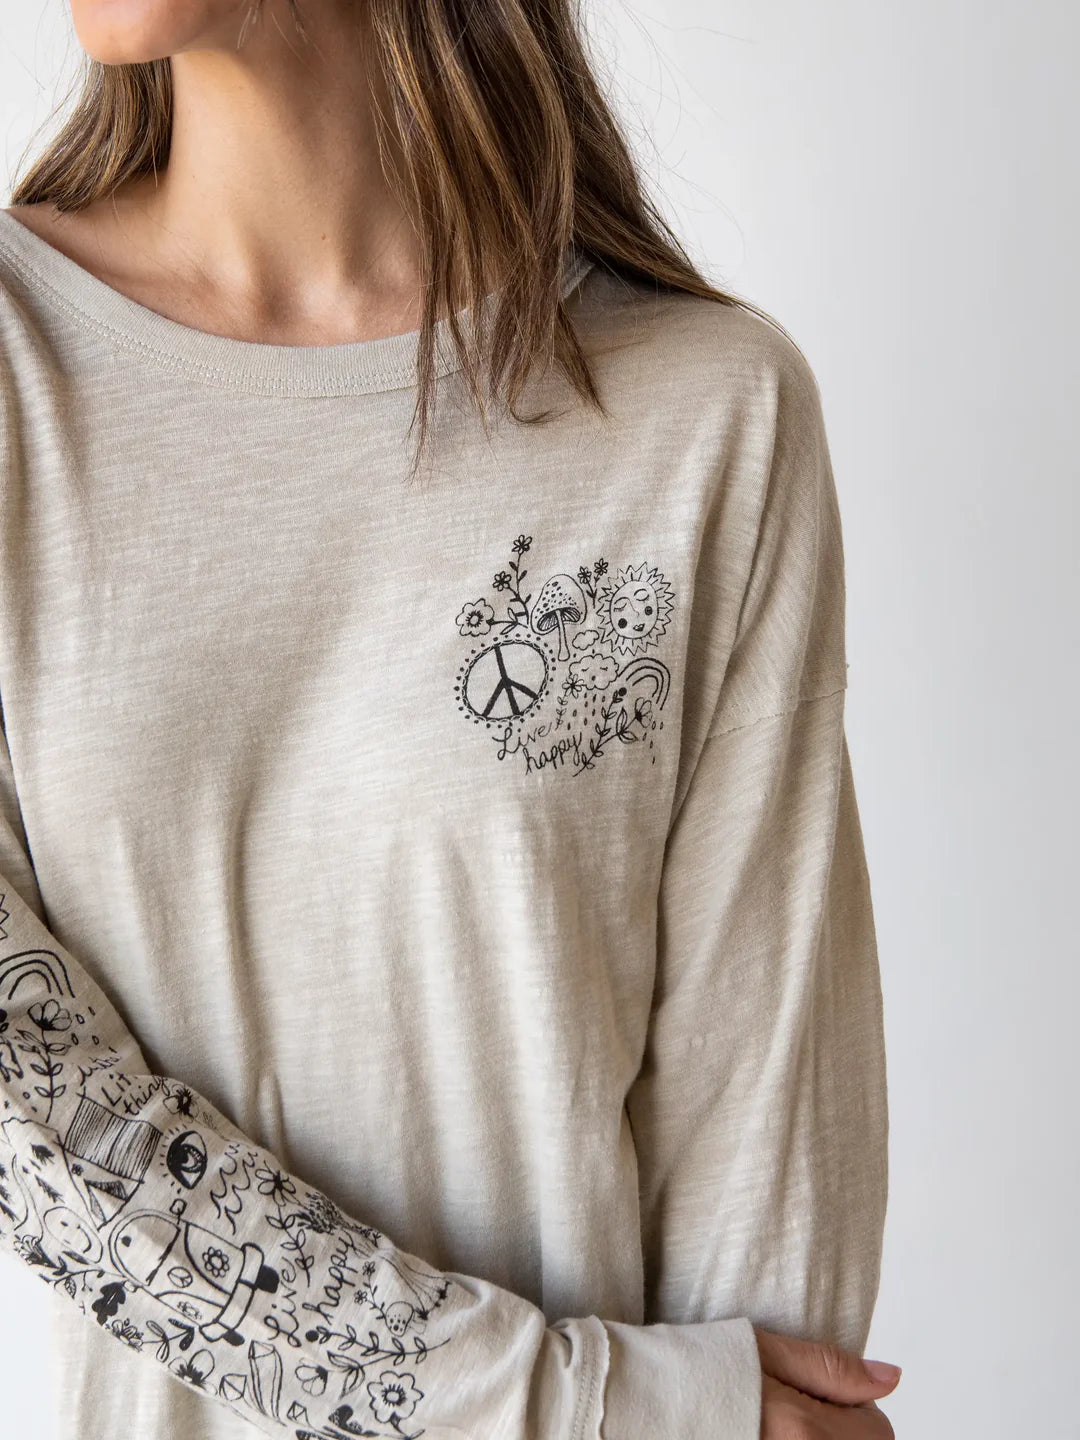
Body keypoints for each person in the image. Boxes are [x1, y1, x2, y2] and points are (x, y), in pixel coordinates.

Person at [0, 2, 895, 1438]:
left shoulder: (706, 414)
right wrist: (576, 1413)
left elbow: (767, 1215)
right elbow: (40, 1132)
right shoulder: (17, 376)